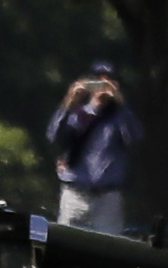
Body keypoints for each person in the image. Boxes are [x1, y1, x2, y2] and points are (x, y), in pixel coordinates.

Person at [46, 62, 141, 232]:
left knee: (109, 244)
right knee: (67, 240)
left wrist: (120, 102)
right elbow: (54, 136)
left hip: (107, 196)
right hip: (75, 192)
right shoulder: (77, 113)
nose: (102, 86)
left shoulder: (120, 117)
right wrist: (69, 102)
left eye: (108, 81)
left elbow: (135, 139)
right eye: (97, 81)